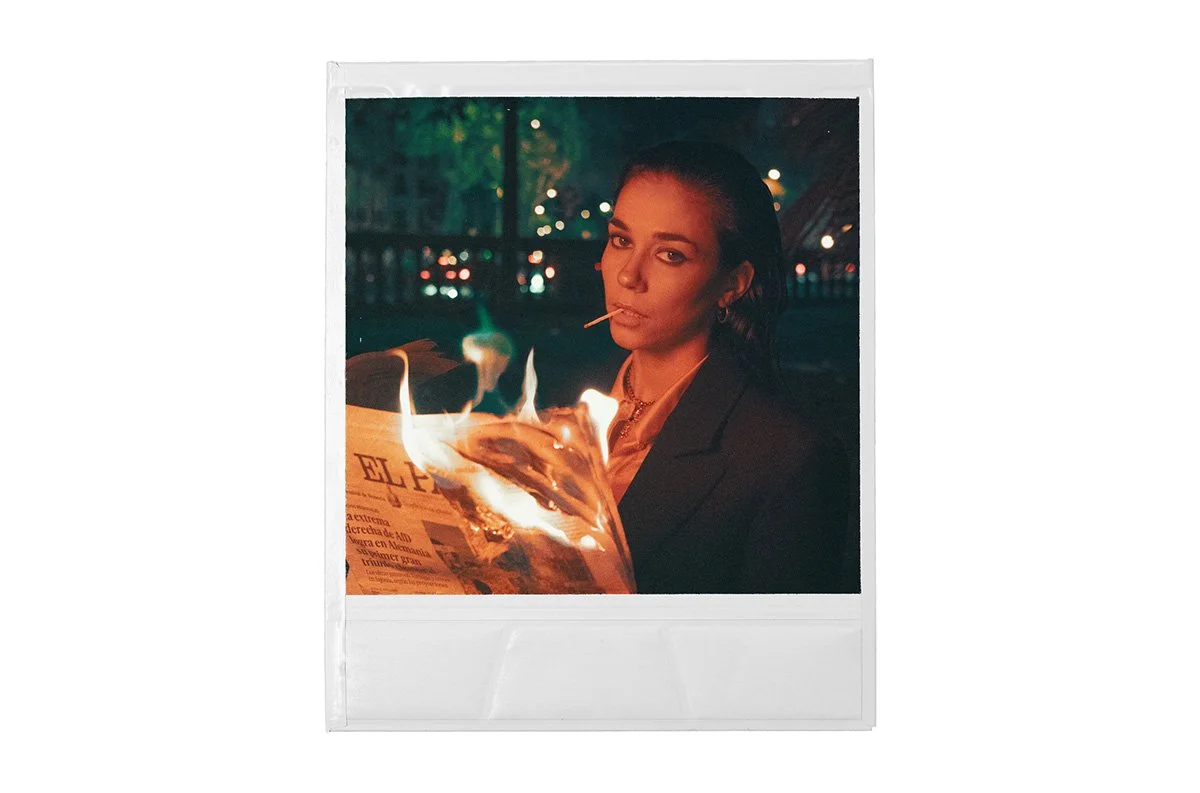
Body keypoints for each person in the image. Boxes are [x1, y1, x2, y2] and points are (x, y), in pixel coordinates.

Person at [598, 140, 854, 594]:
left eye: (670, 254)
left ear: (732, 284)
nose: (627, 276)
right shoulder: (554, 405)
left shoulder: (784, 459)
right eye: (621, 240)